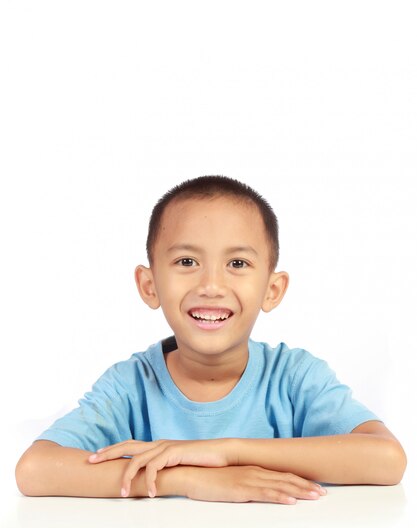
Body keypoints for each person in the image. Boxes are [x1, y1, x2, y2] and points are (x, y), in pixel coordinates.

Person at [15, 175, 407, 504]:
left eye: (237, 264)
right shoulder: (131, 386)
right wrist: (187, 477)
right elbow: (35, 469)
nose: (211, 286)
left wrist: (226, 453)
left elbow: (387, 459)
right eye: (187, 262)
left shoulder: (294, 377)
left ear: (272, 289)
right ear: (149, 285)